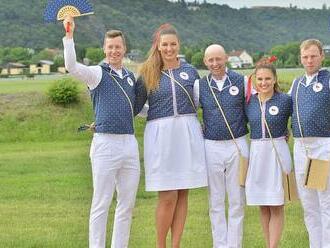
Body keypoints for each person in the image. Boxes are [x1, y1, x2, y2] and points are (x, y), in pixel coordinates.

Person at [62, 16, 140, 248]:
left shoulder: (130, 77)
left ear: (124, 49)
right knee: (102, 202)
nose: (114, 51)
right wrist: (69, 36)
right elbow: (72, 66)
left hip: (129, 143)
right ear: (104, 49)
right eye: (110, 47)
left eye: (118, 47)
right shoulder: (96, 73)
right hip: (105, 144)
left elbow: (141, 109)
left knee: (126, 204)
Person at [135, 23, 208, 248]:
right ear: (158, 46)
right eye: (164, 45)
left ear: (179, 45)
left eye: (173, 44)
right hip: (161, 135)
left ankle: (176, 244)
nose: (169, 48)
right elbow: (137, 107)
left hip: (187, 133)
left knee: (183, 193)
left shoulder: (190, 71)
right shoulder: (148, 72)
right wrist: (157, 116)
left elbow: (197, 102)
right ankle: (161, 245)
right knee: (167, 196)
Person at [195, 44, 249, 248]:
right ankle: (220, 244)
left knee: (237, 200)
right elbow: (191, 113)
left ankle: (234, 245)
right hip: (211, 146)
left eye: (219, 59)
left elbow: (253, 110)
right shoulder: (200, 85)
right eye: (211, 60)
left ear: (226, 58)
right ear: (205, 62)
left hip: (238, 145)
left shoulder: (241, 80)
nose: (215, 64)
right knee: (216, 200)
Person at [245, 58, 292, 248]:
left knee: (276, 203)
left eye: (267, 79)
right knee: (263, 205)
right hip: (257, 153)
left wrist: (287, 131)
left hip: (277, 153)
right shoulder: (249, 102)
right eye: (260, 79)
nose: (263, 83)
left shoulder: (285, 100)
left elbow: (297, 120)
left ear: (274, 79)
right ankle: (269, 245)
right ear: (255, 80)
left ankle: (274, 246)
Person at [289, 39, 330, 248]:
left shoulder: (329, 79)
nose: (309, 60)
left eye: (313, 56)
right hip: (301, 148)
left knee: (326, 203)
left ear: (321, 56)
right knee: (309, 204)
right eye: (305, 57)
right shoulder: (296, 83)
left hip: (323, 147)